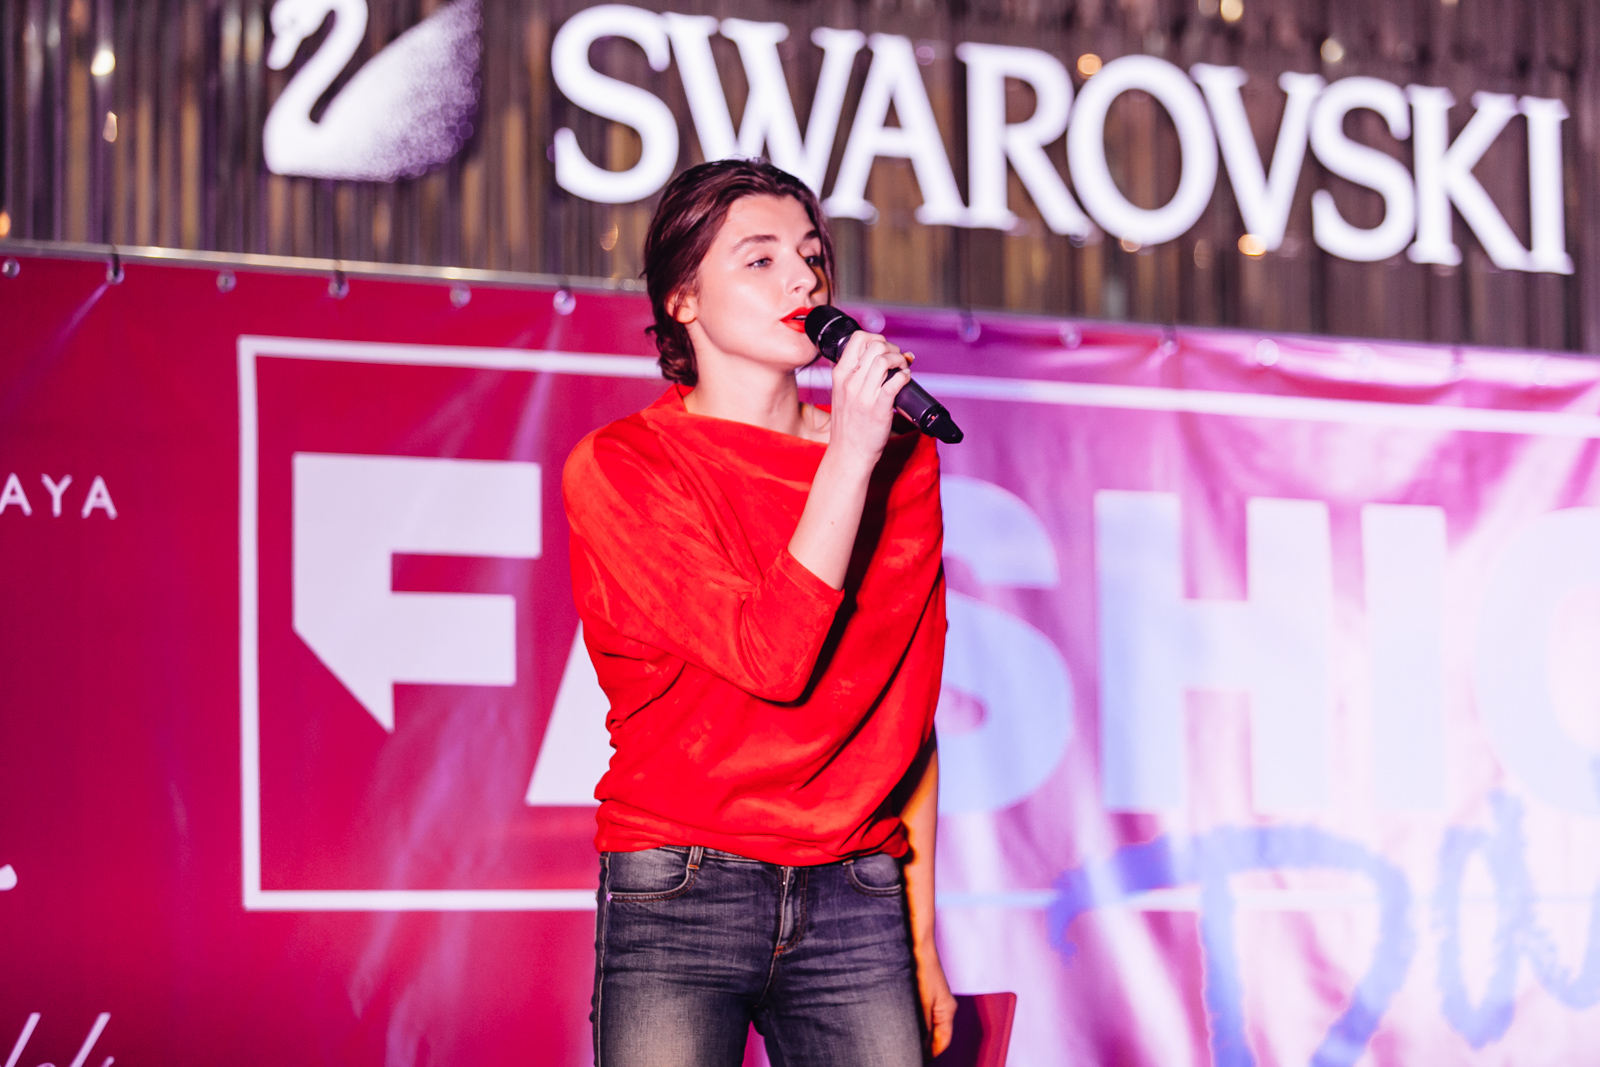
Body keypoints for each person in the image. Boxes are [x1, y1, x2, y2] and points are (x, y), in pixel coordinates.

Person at [562, 158, 955, 1067]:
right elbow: (771, 657)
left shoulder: (900, 459)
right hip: (682, 882)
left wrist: (922, 934)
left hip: (855, 888)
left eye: (811, 256)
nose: (802, 281)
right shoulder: (624, 467)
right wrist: (849, 455)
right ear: (682, 300)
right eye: (761, 259)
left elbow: (904, 713)